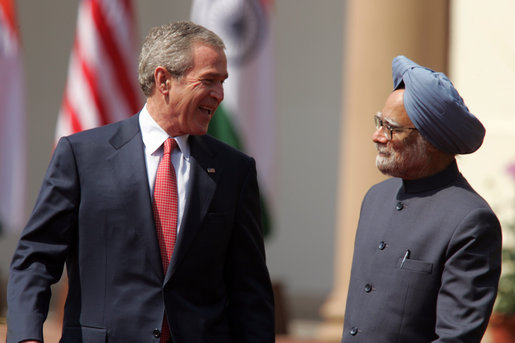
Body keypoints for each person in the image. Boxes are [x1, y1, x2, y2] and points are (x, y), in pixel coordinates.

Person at [7, 21, 274, 343]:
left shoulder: (235, 170)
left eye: (223, 82)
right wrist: (26, 337)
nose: (218, 95)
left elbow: (250, 288)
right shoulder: (82, 156)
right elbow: (36, 258)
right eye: (208, 81)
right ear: (164, 80)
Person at [341, 55, 502, 342]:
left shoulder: (469, 221)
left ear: (430, 141)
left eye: (391, 128)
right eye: (379, 121)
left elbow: (456, 337)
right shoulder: (376, 199)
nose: (377, 136)